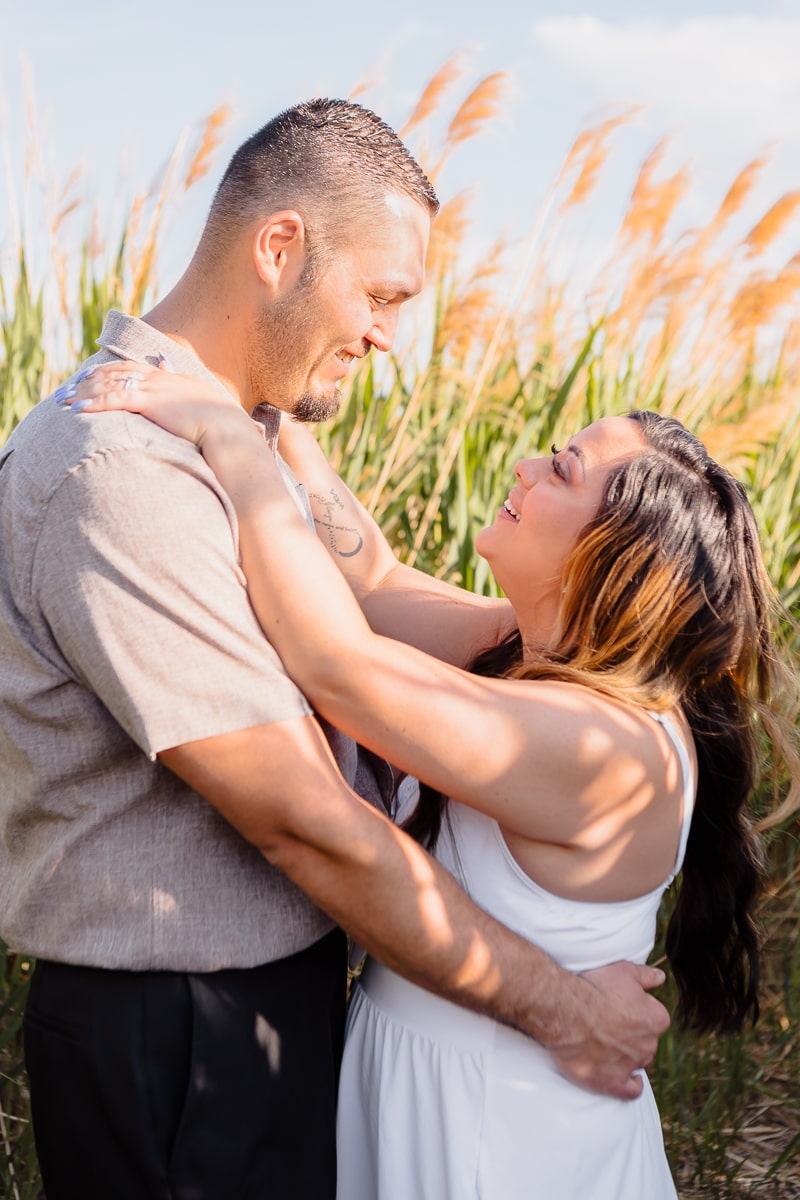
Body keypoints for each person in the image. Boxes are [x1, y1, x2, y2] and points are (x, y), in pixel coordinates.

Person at [0, 99, 669, 1200]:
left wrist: (604, 637)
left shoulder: (243, 429)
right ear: (279, 247)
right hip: (177, 1040)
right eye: (379, 295)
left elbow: (372, 587)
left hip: (281, 1002)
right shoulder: (116, 470)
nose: (383, 334)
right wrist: (565, 1008)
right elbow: (303, 819)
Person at [62, 364, 799, 1199]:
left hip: (501, 1134)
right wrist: (271, 406)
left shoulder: (606, 746)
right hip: (438, 1086)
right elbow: (373, 583)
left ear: (619, 563)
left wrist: (226, 437)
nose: (526, 465)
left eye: (563, 471)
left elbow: (340, 665)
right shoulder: (535, 657)